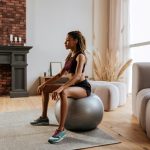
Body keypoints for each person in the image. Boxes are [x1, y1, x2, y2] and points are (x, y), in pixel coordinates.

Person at [30, 31, 91, 144]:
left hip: (82, 87)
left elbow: (77, 76)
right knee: (46, 89)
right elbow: (59, 74)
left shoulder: (81, 56)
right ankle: (44, 118)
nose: (65, 42)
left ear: (75, 41)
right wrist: (44, 84)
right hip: (72, 84)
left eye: (68, 40)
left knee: (63, 93)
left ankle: (61, 129)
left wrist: (61, 88)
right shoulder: (69, 56)